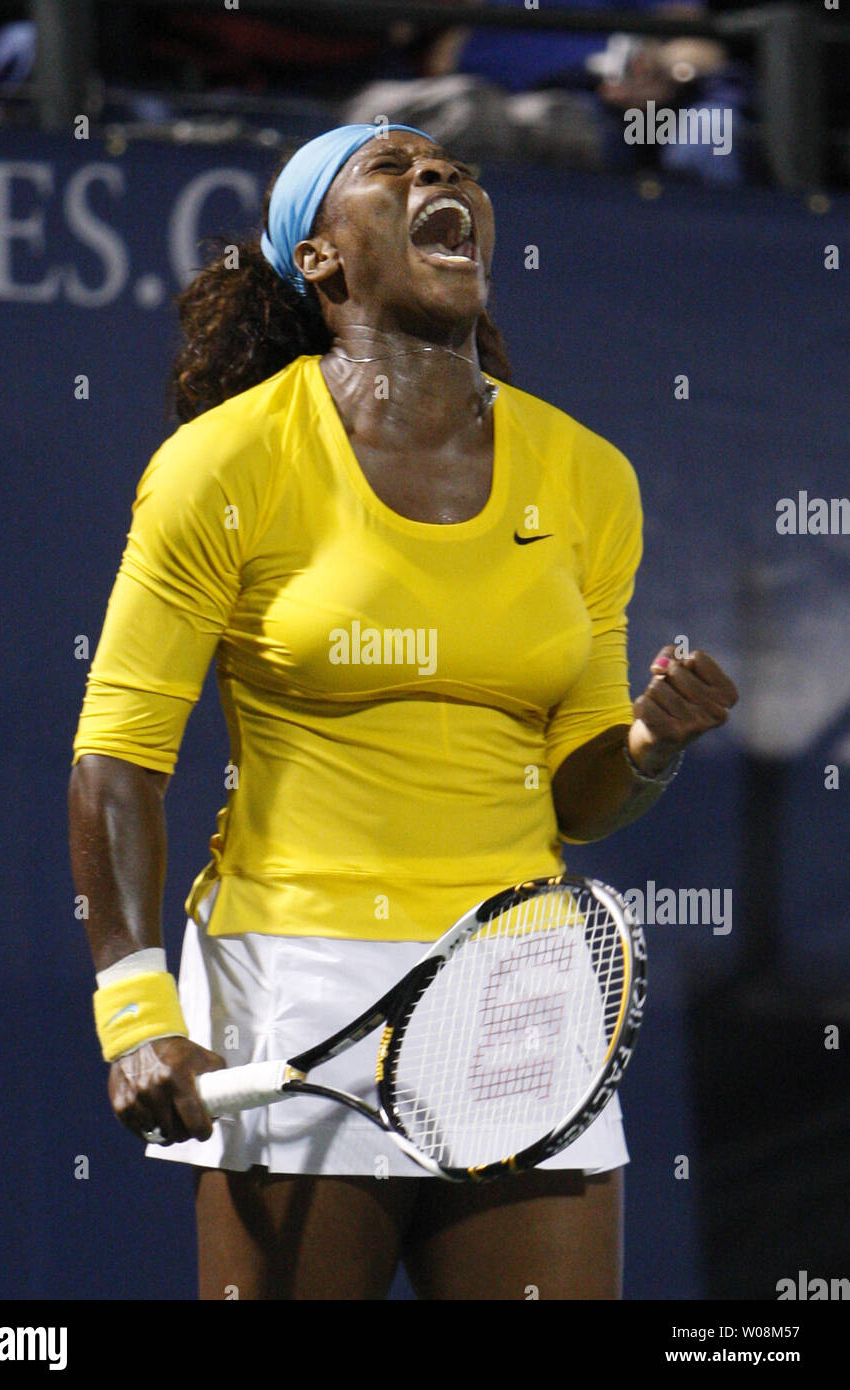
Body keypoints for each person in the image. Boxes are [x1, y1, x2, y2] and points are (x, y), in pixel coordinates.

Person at [69, 122, 738, 1300]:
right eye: (391, 169)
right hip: (292, 973)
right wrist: (134, 1009)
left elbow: (578, 794)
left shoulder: (588, 476)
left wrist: (646, 744)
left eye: (454, 169)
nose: (440, 177)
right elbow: (119, 754)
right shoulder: (221, 465)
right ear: (320, 260)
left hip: (521, 987)